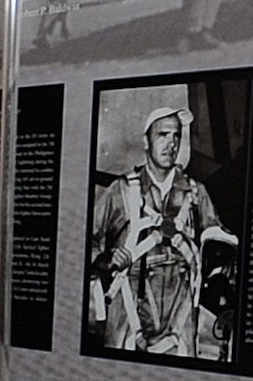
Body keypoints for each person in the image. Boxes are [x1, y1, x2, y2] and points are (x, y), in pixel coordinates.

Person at [87, 104, 238, 357]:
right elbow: (85, 242)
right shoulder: (120, 191)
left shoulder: (196, 194)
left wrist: (218, 276)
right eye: (163, 135)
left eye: (176, 135)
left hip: (180, 316)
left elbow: (217, 241)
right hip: (128, 311)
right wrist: (105, 260)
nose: (172, 143)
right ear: (146, 141)